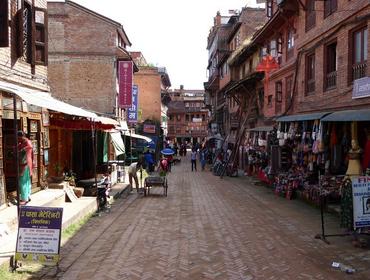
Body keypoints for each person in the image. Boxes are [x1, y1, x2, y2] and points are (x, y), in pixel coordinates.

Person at [18, 131, 33, 205]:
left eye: (19, 137)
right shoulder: (21, 143)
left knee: (22, 181)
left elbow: (30, 146)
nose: (18, 139)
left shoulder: (27, 141)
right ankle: (28, 196)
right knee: (26, 181)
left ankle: (24, 199)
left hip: (25, 163)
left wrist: (23, 149)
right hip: (25, 163)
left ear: (22, 136)